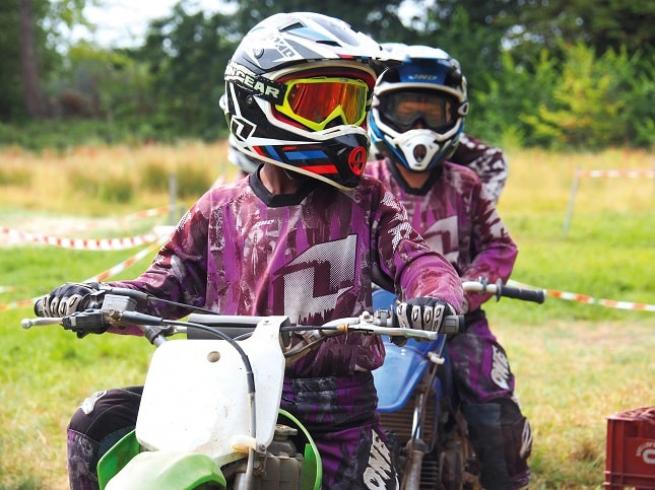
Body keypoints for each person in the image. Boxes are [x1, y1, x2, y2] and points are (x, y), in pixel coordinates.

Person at [41, 15, 464, 490]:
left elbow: (419, 261)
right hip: (221, 391)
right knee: (94, 419)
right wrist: (98, 298)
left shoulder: (366, 201)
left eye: (350, 105)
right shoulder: (219, 208)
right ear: (256, 100)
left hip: (335, 409)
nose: (341, 124)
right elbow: (160, 285)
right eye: (322, 103)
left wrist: (433, 297)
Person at [366, 43, 531, 490]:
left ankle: (507, 481)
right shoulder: (363, 184)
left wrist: (469, 288)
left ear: (454, 115)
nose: (419, 127)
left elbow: (499, 246)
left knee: (490, 397)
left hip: (458, 322)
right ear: (382, 111)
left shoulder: (467, 184)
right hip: (374, 318)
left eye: (431, 113)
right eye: (407, 111)